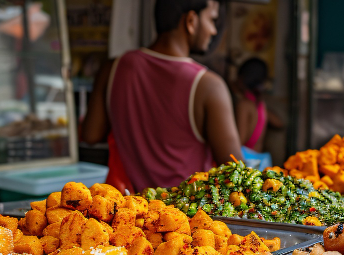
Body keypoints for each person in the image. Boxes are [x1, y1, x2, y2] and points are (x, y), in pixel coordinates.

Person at [81, 0, 242, 193]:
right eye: (211, 20)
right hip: (185, 216)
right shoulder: (208, 85)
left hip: (131, 211)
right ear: (191, 21)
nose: (214, 31)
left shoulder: (113, 68)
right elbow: (237, 173)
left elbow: (90, 134)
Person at [233, 58, 283, 152]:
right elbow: (279, 123)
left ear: (241, 78)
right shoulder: (260, 104)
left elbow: (240, 141)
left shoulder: (244, 105)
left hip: (246, 161)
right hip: (258, 159)